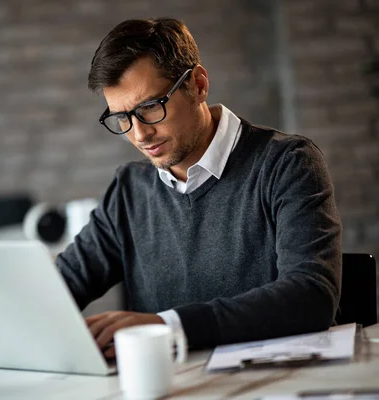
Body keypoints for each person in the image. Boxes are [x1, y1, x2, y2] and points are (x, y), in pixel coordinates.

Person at [55, 18, 342, 354]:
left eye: (150, 107)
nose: (138, 134)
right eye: (122, 117)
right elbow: (62, 285)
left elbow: (311, 296)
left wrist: (166, 327)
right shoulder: (130, 189)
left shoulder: (287, 163)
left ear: (199, 85)